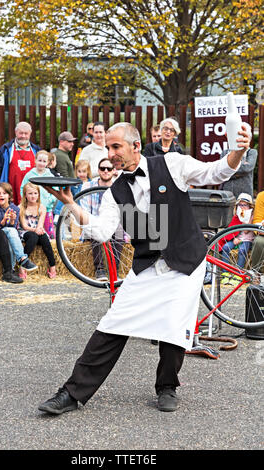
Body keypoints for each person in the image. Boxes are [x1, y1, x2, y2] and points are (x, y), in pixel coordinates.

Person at [38, 121, 250, 415]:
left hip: (186, 260)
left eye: (116, 147)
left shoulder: (172, 164)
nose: (111, 153)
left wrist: (238, 150)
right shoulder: (115, 192)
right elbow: (101, 231)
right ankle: (72, 393)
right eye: (108, 148)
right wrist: (72, 205)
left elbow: (216, 171)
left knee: (174, 327)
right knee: (113, 322)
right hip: (148, 264)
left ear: (135, 146)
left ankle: (166, 387)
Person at [80, 157, 124, 281]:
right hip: (94, 219)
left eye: (109, 168)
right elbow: (84, 210)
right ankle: (99, 270)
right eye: (102, 168)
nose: (105, 171)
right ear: (98, 171)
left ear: (113, 171)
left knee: (119, 230)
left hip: (113, 222)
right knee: (95, 228)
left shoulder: (119, 186)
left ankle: (114, 270)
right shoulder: (88, 186)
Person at [0, 182, 38, 274]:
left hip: (11, 234)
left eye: (4, 193)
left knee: (11, 238)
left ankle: (10, 270)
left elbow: (14, 227)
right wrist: (3, 220)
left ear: (9, 195)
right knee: (10, 231)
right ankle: (22, 259)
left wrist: (12, 221)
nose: (1, 195)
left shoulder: (15, 208)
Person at [0, 121, 40, 205]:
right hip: (11, 192)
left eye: (26, 133)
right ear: (16, 132)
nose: (23, 136)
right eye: (21, 133)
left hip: (31, 194)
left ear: (30, 134)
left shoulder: (36, 151)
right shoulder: (5, 150)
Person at [19, 182, 56, 279]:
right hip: (26, 232)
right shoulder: (21, 207)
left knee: (44, 237)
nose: (33, 196)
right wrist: (35, 230)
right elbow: (24, 226)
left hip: (37, 230)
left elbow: (40, 224)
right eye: (30, 193)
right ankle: (23, 265)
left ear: (38, 194)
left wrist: (38, 229)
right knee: (33, 236)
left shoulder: (41, 207)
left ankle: (52, 266)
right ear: (25, 195)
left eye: (35, 193)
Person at [219, 193, 254, 287]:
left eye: (245, 205)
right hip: (236, 238)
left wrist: (245, 218)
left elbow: (246, 231)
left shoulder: (251, 216)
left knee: (242, 250)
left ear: (250, 206)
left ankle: (238, 274)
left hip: (247, 240)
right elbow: (233, 230)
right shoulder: (236, 215)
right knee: (226, 247)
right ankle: (225, 273)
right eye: (240, 205)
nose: (242, 207)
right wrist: (234, 238)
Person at [20, 150, 57, 239]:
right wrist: (26, 201)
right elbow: (22, 189)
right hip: (33, 210)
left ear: (48, 163)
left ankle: (52, 248)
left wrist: (50, 201)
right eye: (39, 160)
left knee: (50, 232)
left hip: (47, 208)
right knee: (35, 231)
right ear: (35, 160)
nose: (41, 163)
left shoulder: (50, 176)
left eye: (44, 161)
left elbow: (56, 191)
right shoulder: (29, 175)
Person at [219, 123, 257, 198]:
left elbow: (247, 168)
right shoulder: (224, 152)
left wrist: (229, 170)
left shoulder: (252, 152)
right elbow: (221, 170)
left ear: (248, 137)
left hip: (245, 195)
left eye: (242, 135)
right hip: (226, 194)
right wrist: (239, 170)